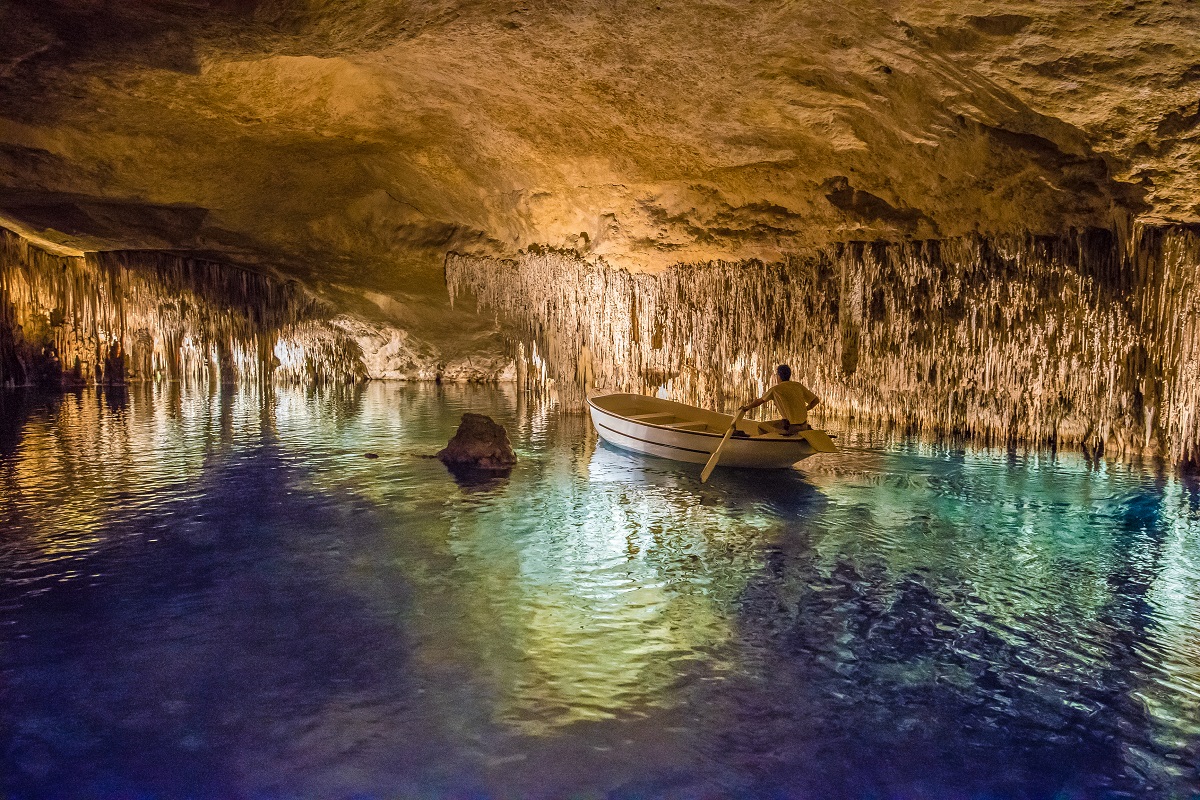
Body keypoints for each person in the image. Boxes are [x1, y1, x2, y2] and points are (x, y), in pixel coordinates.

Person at [739, 364, 819, 435]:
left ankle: (781, 438)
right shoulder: (798, 386)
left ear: (779, 376)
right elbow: (816, 400)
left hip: (790, 428)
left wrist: (746, 408)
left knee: (761, 426)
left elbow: (758, 402)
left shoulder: (775, 389)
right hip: (804, 426)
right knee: (782, 422)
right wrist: (805, 409)